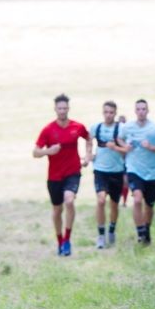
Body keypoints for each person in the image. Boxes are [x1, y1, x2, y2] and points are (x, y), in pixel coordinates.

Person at [33, 93, 90, 256]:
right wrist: (48, 151)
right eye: (60, 108)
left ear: (68, 109)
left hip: (73, 172)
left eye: (65, 108)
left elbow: (88, 138)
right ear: (55, 109)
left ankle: (67, 240)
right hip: (54, 176)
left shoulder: (77, 127)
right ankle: (59, 242)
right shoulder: (48, 130)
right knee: (57, 210)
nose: (62, 111)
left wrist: (87, 155)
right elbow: (35, 152)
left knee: (69, 200)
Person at [116, 99, 155, 245]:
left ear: (147, 110)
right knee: (137, 199)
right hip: (134, 169)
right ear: (135, 111)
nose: (141, 112)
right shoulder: (128, 127)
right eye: (138, 109)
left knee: (149, 205)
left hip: (152, 172)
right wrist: (125, 146)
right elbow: (119, 138)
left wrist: (152, 147)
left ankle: (146, 229)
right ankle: (140, 232)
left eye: (143, 109)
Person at [90, 101, 125, 248]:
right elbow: (88, 141)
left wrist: (116, 147)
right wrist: (89, 154)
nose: (108, 115)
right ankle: (100, 235)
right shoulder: (96, 128)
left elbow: (128, 149)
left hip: (116, 172)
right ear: (102, 112)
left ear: (115, 113)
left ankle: (111, 229)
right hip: (100, 170)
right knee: (101, 201)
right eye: (106, 112)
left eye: (111, 112)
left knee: (114, 205)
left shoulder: (121, 129)